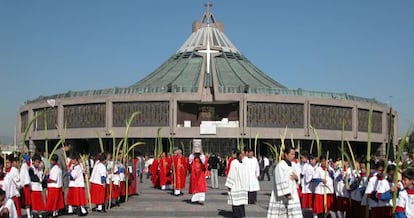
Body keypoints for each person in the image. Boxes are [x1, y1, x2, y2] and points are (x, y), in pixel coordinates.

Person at [267, 145, 302, 218]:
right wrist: (286, 193)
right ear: (286, 154)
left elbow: (297, 177)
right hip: (282, 195)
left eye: (294, 154)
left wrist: (296, 178)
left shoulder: (294, 165)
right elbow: (279, 180)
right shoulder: (280, 166)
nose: (293, 156)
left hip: (292, 192)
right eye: (291, 154)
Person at [225, 150, 247, 218]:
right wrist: (229, 185)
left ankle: (241, 215)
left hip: (242, 186)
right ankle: (237, 215)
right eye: (241, 155)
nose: (243, 156)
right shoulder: (234, 163)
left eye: (243, 155)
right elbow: (231, 174)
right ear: (238, 155)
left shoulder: (243, 163)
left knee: (241, 202)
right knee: (236, 202)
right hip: (235, 185)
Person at [29, 153, 45, 218]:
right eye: (37, 162)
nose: (38, 164)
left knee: (39, 202)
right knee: (34, 202)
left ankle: (39, 213)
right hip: (33, 188)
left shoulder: (39, 169)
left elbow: (41, 178)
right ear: (33, 161)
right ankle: (33, 214)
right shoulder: (31, 169)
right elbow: (33, 178)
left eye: (39, 162)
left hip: (39, 188)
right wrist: (39, 178)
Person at [19, 153, 32, 218]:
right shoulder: (23, 165)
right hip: (23, 185)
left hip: (25, 185)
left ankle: (28, 215)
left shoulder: (25, 165)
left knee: (27, 202)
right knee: (25, 201)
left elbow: (28, 160)